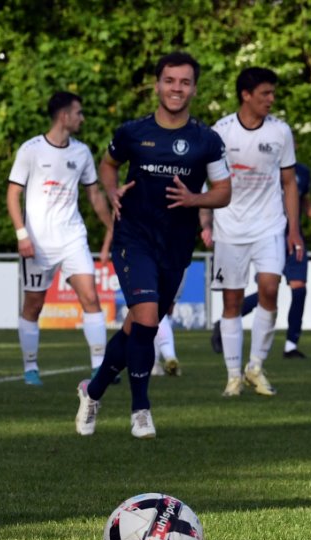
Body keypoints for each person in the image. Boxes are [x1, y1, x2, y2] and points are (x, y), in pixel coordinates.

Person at [75, 52, 231, 439]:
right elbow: (107, 165)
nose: (176, 88)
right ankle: (140, 410)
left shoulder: (207, 140)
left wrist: (195, 200)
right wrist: (112, 192)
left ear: (194, 88)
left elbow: (224, 191)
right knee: (145, 318)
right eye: (169, 80)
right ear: (157, 84)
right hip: (134, 238)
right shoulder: (132, 132)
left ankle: (92, 392)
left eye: (184, 82)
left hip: (176, 246)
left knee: (137, 327)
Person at [204, 67, 303, 398]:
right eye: (265, 93)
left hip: (270, 225)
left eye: (272, 93)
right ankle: (233, 375)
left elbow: (289, 183)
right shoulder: (220, 132)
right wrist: (205, 223)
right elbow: (209, 183)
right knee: (231, 301)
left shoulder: (280, 132)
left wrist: (294, 230)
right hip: (229, 229)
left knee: (270, 289)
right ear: (246, 95)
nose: (271, 100)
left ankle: (255, 367)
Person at [6, 91, 114, 387]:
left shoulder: (81, 152)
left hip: (72, 238)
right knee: (33, 305)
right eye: (78, 112)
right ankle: (30, 368)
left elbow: (94, 194)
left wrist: (112, 226)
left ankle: (99, 367)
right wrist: (21, 234)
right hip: (38, 243)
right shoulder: (31, 150)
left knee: (91, 297)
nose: (82, 118)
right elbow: (13, 194)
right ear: (64, 116)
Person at [214, 161, 311, 359]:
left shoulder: (303, 172)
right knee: (268, 290)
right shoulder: (263, 166)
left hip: (293, 237)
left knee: (299, 289)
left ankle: (291, 345)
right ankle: (226, 322)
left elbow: (303, 198)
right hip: (269, 235)